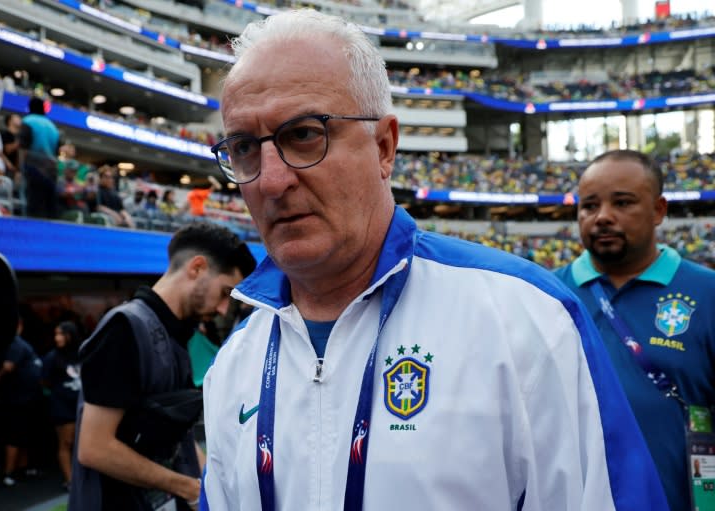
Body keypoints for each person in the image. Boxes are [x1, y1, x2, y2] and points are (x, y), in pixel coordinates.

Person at [201, 10, 668, 511]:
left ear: (384, 147)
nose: (271, 180)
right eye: (245, 147)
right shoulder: (235, 364)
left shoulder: (525, 318)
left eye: (303, 134)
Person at [554, 149, 715, 511]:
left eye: (623, 203)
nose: (603, 217)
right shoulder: (546, 295)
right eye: (589, 206)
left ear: (659, 210)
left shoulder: (707, 293)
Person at [69, 223, 256, 511]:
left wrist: (213, 484)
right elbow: (94, 448)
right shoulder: (124, 328)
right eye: (224, 292)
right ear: (197, 268)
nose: (222, 309)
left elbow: (175, 435)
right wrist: (187, 487)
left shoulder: (176, 334)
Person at [0, 320, 44, 487]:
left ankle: (23, 468)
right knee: (14, 437)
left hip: (26, 400)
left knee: (24, 436)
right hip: (17, 400)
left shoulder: (19, 343)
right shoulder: (13, 343)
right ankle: (8, 473)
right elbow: (7, 367)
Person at [41, 321, 82, 490]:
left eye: (60, 334)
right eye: (55, 334)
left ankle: (80, 479)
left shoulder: (80, 353)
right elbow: (44, 381)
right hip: (62, 407)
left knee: (80, 442)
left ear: (70, 335)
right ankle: (70, 481)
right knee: (66, 442)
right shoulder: (52, 357)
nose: (57, 338)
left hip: (80, 405)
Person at [19, 96, 60, 218]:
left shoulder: (28, 121)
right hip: (51, 171)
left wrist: (19, 169)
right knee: (49, 207)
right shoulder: (53, 127)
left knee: (34, 207)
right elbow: (56, 152)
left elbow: (23, 148)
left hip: (34, 168)